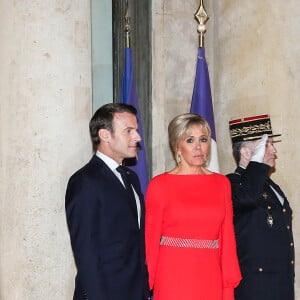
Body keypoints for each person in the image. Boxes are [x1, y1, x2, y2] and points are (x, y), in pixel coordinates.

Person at [145, 113, 241, 300]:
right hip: (172, 279)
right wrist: (145, 286)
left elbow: (227, 239)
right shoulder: (159, 185)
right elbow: (150, 244)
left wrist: (228, 287)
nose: (198, 147)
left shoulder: (222, 184)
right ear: (176, 146)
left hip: (211, 278)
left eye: (203, 139)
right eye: (190, 140)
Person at [65, 103, 150, 300]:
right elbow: (86, 252)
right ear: (105, 135)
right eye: (129, 131)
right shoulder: (85, 181)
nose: (137, 137)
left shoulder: (131, 177)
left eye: (136, 130)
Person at [227, 114, 295, 300]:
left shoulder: (271, 186)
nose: (274, 151)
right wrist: (256, 165)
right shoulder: (231, 184)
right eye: (267, 145)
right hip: (255, 288)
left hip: (280, 285)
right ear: (247, 153)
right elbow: (245, 199)